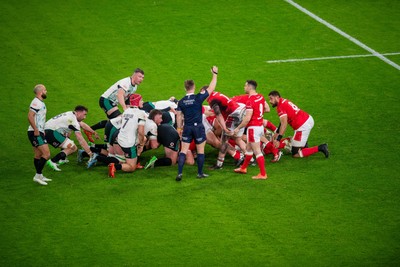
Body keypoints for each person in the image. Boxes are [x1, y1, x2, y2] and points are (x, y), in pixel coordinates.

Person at [175, 66, 218, 181]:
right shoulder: (198, 98)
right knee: (200, 151)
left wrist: (179, 128)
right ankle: (200, 173)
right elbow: (211, 87)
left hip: (187, 127)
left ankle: (179, 173)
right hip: (198, 127)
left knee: (183, 150)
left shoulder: (181, 101)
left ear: (185, 88)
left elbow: (178, 116)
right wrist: (214, 74)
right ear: (194, 87)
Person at [85, 68, 145, 142]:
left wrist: (129, 109)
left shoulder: (134, 87)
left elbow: (126, 98)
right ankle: (109, 140)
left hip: (112, 102)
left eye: (142, 77)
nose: (141, 79)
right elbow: (120, 95)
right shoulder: (126, 82)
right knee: (119, 119)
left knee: (115, 120)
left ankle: (89, 130)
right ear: (134, 75)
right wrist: (124, 109)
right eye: (139, 76)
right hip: (106, 100)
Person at [268, 90, 329, 158]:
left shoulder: (280, 107)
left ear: (277, 97)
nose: (270, 101)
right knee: (299, 146)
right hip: (307, 118)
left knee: (295, 154)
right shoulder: (284, 101)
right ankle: (304, 144)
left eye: (271, 98)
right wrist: (277, 132)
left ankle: (321, 147)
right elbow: (283, 120)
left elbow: (284, 124)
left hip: (302, 126)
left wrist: (278, 139)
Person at [233, 80, 268, 179]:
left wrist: (238, 128)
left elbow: (247, 118)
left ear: (249, 87)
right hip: (260, 126)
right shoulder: (260, 96)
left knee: (257, 151)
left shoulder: (250, 100)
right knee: (248, 148)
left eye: (245, 86)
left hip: (253, 128)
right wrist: (258, 115)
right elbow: (267, 108)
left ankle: (263, 174)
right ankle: (243, 168)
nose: (244, 87)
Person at [44, 105, 97, 171]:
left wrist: (93, 132)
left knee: (67, 136)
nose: (85, 117)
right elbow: (80, 139)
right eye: (84, 114)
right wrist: (90, 153)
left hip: (46, 130)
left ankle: (62, 159)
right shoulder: (73, 121)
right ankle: (53, 161)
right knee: (73, 147)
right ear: (79, 113)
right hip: (50, 133)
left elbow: (82, 125)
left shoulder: (71, 113)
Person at [108, 94, 146, 178]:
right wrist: (141, 143)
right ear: (137, 102)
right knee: (131, 167)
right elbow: (140, 132)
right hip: (129, 142)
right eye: (141, 100)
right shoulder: (141, 113)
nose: (142, 101)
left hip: (120, 138)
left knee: (141, 143)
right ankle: (115, 166)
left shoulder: (126, 111)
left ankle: (136, 162)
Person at [27, 84, 52, 185]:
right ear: (40, 92)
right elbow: (30, 116)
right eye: (45, 90)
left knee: (38, 154)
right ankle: (37, 176)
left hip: (38, 131)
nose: (46, 92)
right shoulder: (36, 102)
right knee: (46, 154)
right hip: (35, 133)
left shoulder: (40, 102)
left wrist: (41, 129)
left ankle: (40, 175)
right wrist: (36, 129)